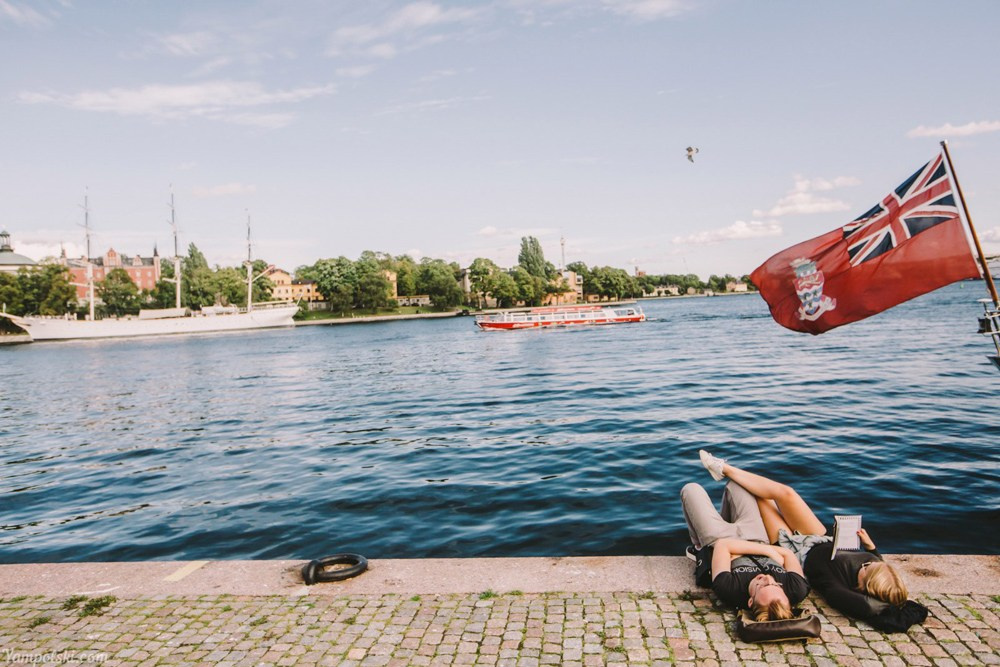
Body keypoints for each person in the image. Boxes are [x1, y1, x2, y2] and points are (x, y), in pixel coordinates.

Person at [696, 449, 928, 633]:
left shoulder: (835, 586)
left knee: (760, 499)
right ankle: (722, 468)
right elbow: (876, 562)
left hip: (795, 549)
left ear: (861, 588)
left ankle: (724, 474)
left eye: (864, 571)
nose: (864, 564)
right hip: (820, 537)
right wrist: (871, 548)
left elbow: (867, 606)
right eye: (869, 564)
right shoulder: (875, 565)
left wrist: (887, 606)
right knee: (786, 493)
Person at [680, 473, 809, 621]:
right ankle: (727, 520)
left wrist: (769, 551)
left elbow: (722, 545)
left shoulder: (730, 590)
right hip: (756, 536)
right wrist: (741, 552)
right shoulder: (796, 590)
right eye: (777, 584)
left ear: (750, 601)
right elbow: (788, 553)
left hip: (719, 539)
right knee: (738, 484)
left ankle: (698, 547)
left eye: (762, 585)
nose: (768, 578)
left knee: (691, 489)